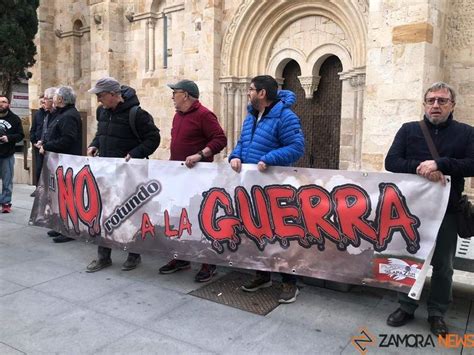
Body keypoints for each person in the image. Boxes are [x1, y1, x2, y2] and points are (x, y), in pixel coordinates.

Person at [385, 82, 474, 337]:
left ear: (452, 105)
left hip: (447, 211)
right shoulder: (409, 130)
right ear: (424, 104)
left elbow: (472, 164)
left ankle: (437, 313)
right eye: (431, 100)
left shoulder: (467, 133)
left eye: (442, 101)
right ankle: (406, 305)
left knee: (444, 264)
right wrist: (420, 167)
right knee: (409, 259)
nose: (436, 105)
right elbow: (391, 162)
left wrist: (441, 164)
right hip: (411, 211)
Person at [229, 75, 305, 303]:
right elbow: (242, 142)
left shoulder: (286, 116)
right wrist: (235, 156)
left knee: (281, 235)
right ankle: (262, 275)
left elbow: (297, 147)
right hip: (252, 186)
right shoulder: (251, 116)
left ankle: (290, 283)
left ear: (262, 93)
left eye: (251, 89)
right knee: (256, 232)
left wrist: (270, 158)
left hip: (275, 187)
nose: (248, 93)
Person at [86, 76, 161, 273]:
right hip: (107, 173)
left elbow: (154, 139)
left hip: (130, 176)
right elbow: (101, 133)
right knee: (103, 214)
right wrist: (95, 144)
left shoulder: (137, 114)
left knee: (131, 214)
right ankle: (103, 256)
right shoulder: (102, 111)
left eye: (100, 96)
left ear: (113, 94)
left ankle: (133, 254)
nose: (98, 100)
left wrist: (134, 154)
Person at [158, 80, 227, 282]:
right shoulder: (178, 116)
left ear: (186, 95)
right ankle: (181, 258)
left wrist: (200, 154)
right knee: (179, 218)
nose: (172, 97)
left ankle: (209, 263)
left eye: (175, 93)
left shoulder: (205, 115)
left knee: (200, 221)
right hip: (179, 178)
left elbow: (220, 139)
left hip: (198, 178)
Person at [38, 86, 83, 243]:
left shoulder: (69, 116)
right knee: (61, 197)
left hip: (68, 162)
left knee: (68, 197)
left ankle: (70, 231)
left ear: (61, 100)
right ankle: (62, 227)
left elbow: (67, 140)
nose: (52, 99)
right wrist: (45, 142)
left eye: (55, 96)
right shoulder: (61, 114)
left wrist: (47, 146)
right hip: (60, 162)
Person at [0, 95, 24, 213]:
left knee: (7, 180)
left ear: (8, 104)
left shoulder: (14, 119)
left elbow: (21, 135)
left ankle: (5, 203)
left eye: (4, 102)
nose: (1, 104)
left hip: (7, 154)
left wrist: (8, 138)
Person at [29, 95, 47, 197]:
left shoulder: (52, 114)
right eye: (41, 103)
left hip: (47, 146)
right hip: (37, 145)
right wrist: (34, 141)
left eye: (44, 102)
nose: (42, 105)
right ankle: (38, 188)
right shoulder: (38, 114)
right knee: (39, 168)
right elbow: (33, 129)